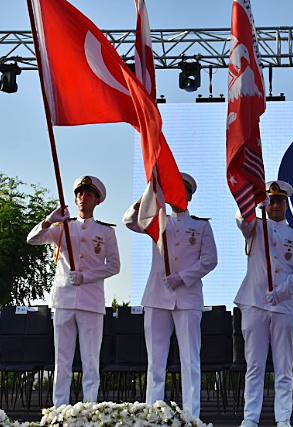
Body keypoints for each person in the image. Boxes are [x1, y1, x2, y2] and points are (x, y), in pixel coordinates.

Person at [122, 172, 218, 419]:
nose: (178, 195)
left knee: (190, 360)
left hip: (187, 297)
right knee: (155, 362)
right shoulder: (157, 220)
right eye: (173, 190)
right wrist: (146, 197)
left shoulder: (201, 226)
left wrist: (183, 277)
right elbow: (129, 221)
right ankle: (152, 414)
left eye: (183, 191)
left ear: (190, 196)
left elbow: (210, 260)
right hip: (157, 296)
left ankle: (191, 416)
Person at [26, 175, 120, 407]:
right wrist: (48, 221)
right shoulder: (62, 227)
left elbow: (114, 266)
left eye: (88, 194)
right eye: (80, 194)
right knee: (62, 360)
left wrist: (85, 276)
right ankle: (60, 409)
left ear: (97, 200)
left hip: (91, 302)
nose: (83, 197)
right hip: (64, 301)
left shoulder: (105, 232)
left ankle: (89, 410)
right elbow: (32, 239)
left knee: (91, 361)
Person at [234, 181, 293, 427]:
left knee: (283, 366)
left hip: (284, 305)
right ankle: (250, 417)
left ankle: (283, 418)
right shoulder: (255, 226)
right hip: (255, 303)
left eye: (280, 201)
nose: (275, 205)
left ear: (286, 205)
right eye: (272, 201)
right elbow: (240, 220)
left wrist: (283, 291)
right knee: (254, 365)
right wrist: (253, 204)